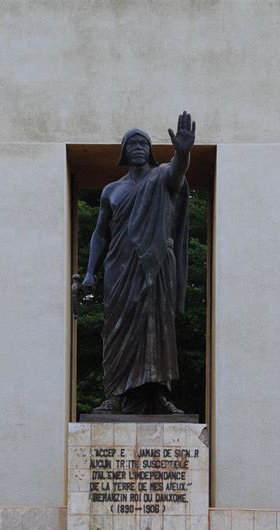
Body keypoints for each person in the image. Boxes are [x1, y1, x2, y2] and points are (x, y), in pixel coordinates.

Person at [81, 112, 196, 415]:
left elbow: (177, 172)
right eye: (131, 143)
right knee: (117, 329)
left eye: (143, 143)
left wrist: (182, 152)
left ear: (150, 150)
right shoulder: (112, 190)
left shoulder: (162, 177)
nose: (138, 147)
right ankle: (117, 394)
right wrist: (91, 271)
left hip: (156, 266)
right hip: (120, 268)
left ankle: (157, 394)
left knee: (157, 326)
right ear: (123, 152)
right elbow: (99, 234)